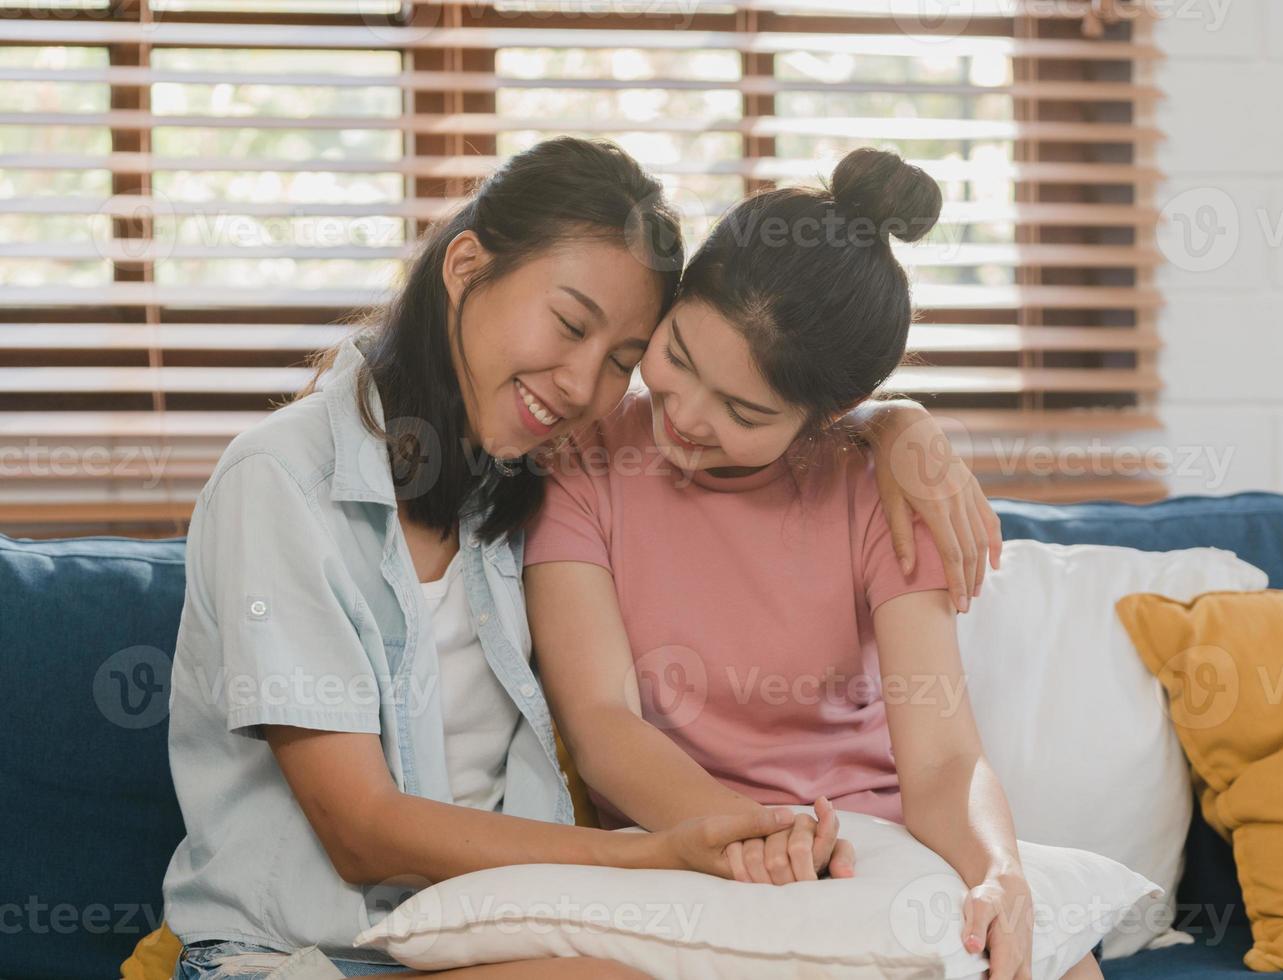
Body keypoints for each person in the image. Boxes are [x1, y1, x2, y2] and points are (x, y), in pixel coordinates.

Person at [164, 137, 1001, 979]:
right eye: (569, 325)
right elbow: (360, 832)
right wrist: (661, 854)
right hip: (298, 952)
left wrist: (898, 424)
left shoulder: (521, 469)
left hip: (490, 930)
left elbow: (785, 397)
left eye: (624, 361)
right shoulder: (283, 482)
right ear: (464, 264)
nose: (579, 385)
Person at [524, 148, 1099, 980]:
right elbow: (604, 727)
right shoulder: (583, 463)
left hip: (871, 847)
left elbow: (940, 760)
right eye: (678, 356)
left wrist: (998, 872)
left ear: (826, 414)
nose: (682, 415)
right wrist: (758, 837)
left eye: (744, 410)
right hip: (688, 842)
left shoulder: (884, 486)